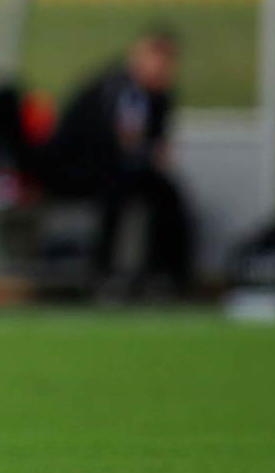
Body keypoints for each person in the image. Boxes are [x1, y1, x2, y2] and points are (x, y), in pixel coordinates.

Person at [46, 28, 192, 298]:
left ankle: (165, 276)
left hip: (125, 171)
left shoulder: (159, 97)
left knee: (167, 194)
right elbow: (102, 142)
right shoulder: (110, 87)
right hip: (78, 169)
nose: (160, 67)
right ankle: (102, 274)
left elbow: (155, 146)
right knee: (115, 192)